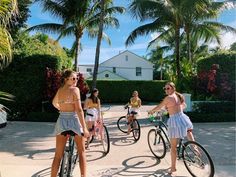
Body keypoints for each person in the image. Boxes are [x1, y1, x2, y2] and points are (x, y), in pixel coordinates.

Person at [148, 82, 195, 175]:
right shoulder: (179, 96)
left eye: (168, 88)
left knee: (173, 147)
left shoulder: (168, 98)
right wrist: (172, 108)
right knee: (188, 130)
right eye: (165, 88)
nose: (166, 90)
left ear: (173, 88)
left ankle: (173, 168)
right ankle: (195, 147)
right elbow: (183, 106)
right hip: (182, 118)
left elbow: (159, 107)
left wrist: (151, 111)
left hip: (174, 120)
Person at [51, 69, 89, 177]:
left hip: (61, 120)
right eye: (73, 78)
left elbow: (54, 103)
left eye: (77, 78)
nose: (75, 80)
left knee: (57, 155)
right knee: (81, 152)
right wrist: (85, 128)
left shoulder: (60, 90)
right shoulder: (75, 90)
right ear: (65, 79)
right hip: (74, 120)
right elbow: (79, 110)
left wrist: (61, 108)